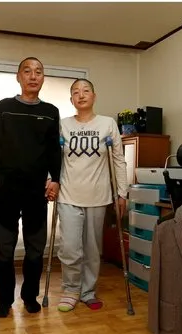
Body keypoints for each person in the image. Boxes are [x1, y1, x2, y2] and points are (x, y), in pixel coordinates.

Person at [0, 57, 62, 318]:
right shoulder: (5, 107)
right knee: (4, 249)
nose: (33, 76)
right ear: (18, 77)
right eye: (27, 71)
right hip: (7, 191)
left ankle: (30, 296)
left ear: (43, 78)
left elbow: (55, 150)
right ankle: (4, 300)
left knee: (35, 248)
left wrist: (55, 178)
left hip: (36, 192)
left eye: (38, 72)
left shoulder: (51, 111)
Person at [56, 78, 127, 312]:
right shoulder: (63, 125)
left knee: (92, 248)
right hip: (68, 194)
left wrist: (122, 193)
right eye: (76, 92)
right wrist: (50, 181)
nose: (81, 95)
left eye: (86, 90)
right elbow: (53, 159)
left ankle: (87, 291)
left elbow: (118, 161)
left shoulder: (108, 124)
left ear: (94, 96)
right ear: (71, 100)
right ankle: (70, 289)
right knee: (70, 247)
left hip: (98, 196)